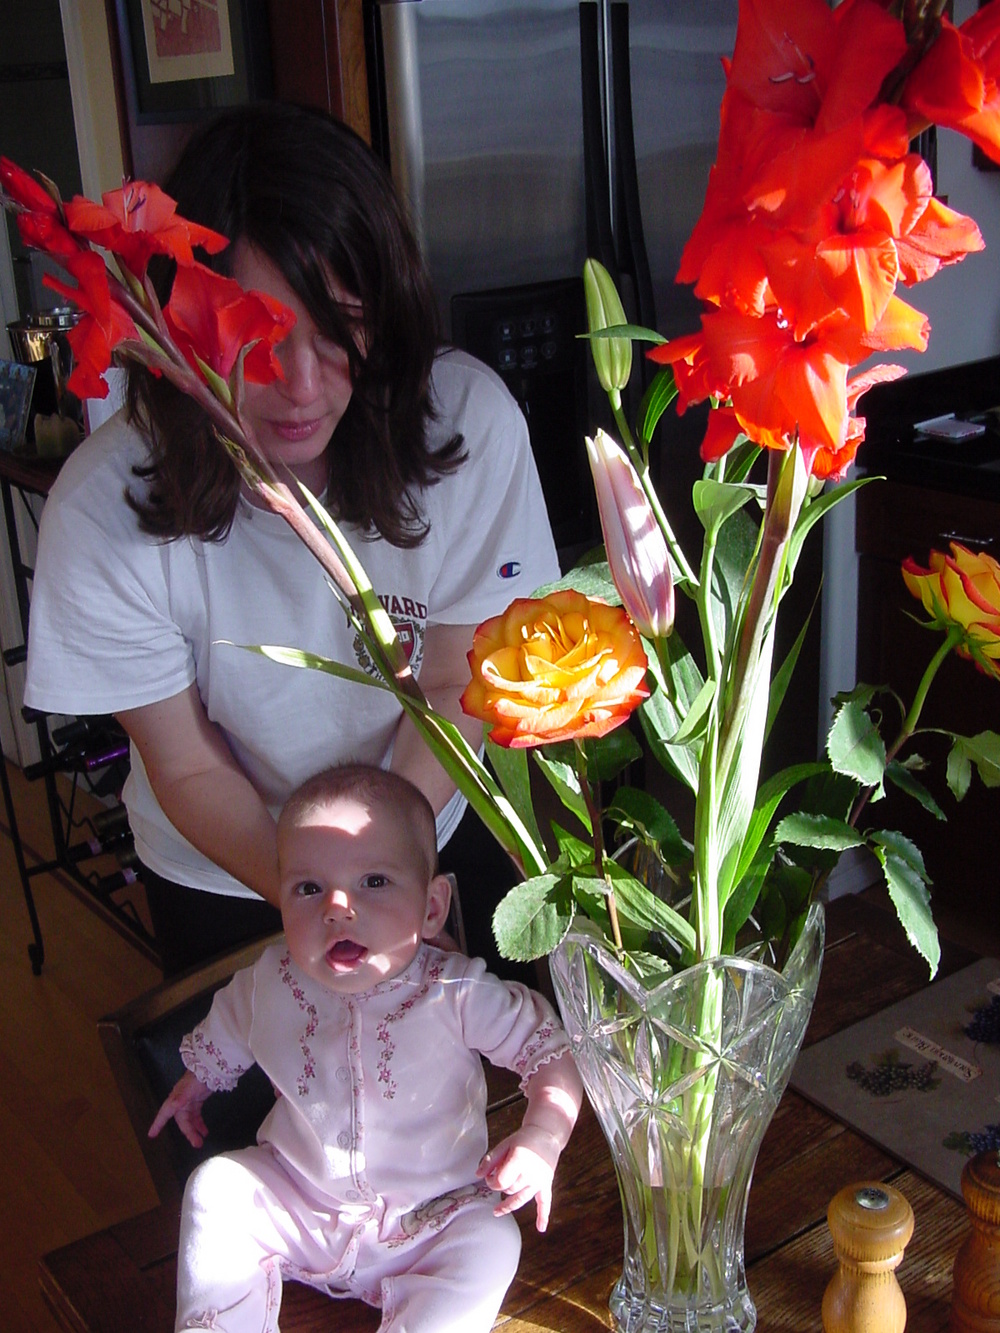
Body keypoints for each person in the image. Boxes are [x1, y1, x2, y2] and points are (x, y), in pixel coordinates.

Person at [23, 101, 559, 975]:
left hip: (430, 819)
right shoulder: (100, 509)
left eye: (339, 328)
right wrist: (323, 901)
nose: (303, 387)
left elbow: (456, 680)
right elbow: (190, 767)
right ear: (179, 322)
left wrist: (386, 877)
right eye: (259, 339)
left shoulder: (468, 426)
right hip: (228, 866)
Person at [149, 764, 582, 1333]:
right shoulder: (268, 983)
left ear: (431, 907)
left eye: (373, 881)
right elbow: (228, 1027)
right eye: (308, 888)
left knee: (493, 1240)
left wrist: (542, 1137)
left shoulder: (456, 992)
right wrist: (198, 1081)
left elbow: (549, 1053)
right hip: (300, 1205)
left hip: (431, 1219)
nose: (336, 907)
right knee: (216, 1188)